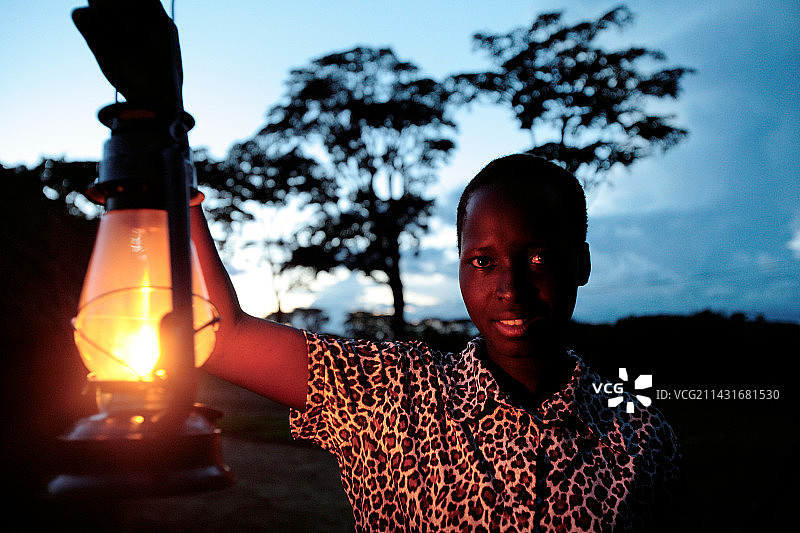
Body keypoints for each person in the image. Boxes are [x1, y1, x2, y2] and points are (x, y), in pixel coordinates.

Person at [191, 153, 681, 532]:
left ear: (583, 264)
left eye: (540, 257)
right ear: (461, 268)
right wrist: (170, 159)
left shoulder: (642, 440)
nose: (510, 288)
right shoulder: (390, 392)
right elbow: (221, 336)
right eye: (483, 261)